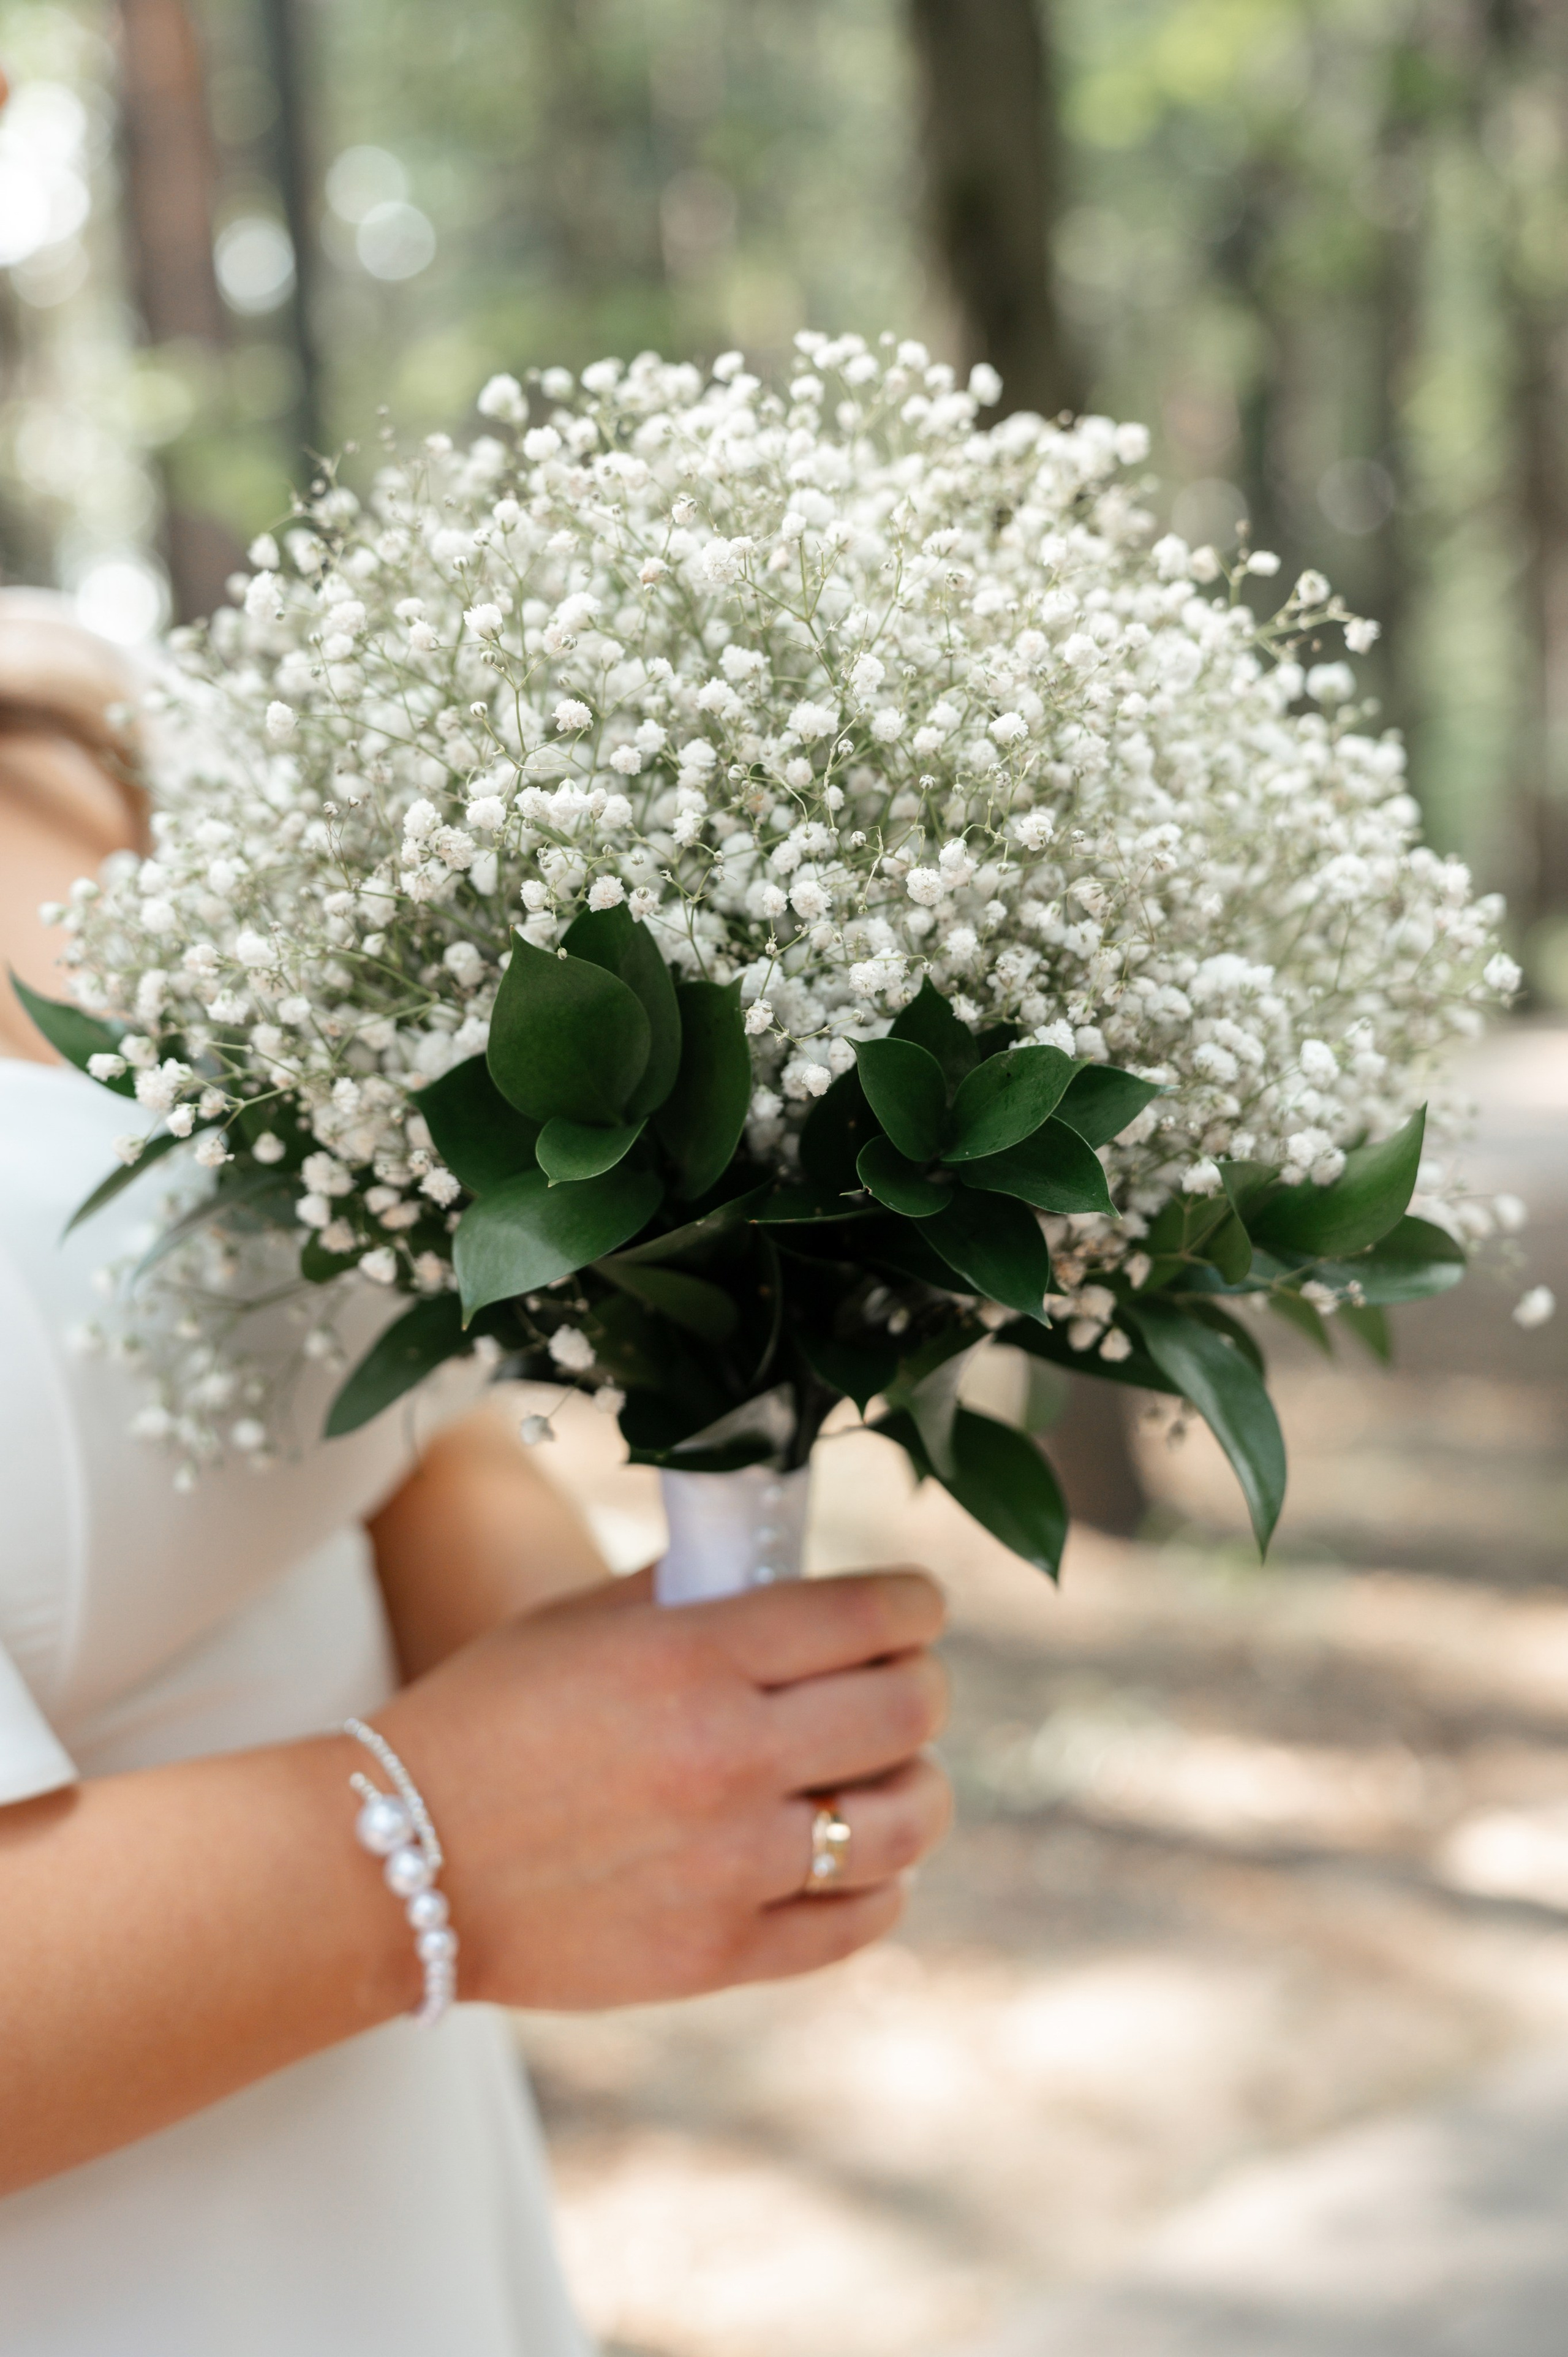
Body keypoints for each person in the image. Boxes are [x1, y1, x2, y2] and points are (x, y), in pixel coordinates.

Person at [0, 587, 952, 2354]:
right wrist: (433, 1850)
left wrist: (679, 1722)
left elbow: (381, 1431)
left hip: (396, 2218)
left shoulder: (89, 719)